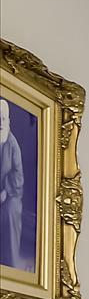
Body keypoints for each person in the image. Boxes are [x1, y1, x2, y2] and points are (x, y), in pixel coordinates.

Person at [0, 103, 25, 272]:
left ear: (8, 120)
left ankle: (10, 269)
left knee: (8, 211)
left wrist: (4, 190)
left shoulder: (12, 144)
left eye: (2, 119)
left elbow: (18, 177)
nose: (0, 123)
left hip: (11, 195)